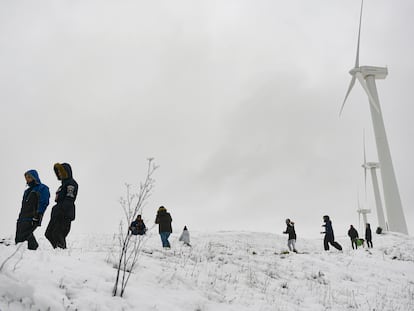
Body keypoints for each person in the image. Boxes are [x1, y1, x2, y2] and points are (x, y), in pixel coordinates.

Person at [45, 163, 78, 249]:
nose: (59, 173)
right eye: (58, 172)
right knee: (48, 233)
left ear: (66, 172)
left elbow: (69, 199)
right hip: (57, 213)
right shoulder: (62, 186)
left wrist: (61, 210)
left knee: (58, 233)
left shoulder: (71, 183)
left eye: (61, 171)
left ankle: (62, 252)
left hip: (64, 214)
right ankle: (57, 250)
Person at [15, 170, 50, 250]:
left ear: (35, 177)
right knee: (19, 239)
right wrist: (20, 217)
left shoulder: (42, 188)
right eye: (26, 178)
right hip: (22, 218)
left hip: (32, 217)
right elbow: (23, 206)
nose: (27, 179)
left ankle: (34, 252)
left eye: (29, 177)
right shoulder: (27, 191)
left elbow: (44, 202)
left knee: (22, 238)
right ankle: (34, 252)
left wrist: (39, 214)